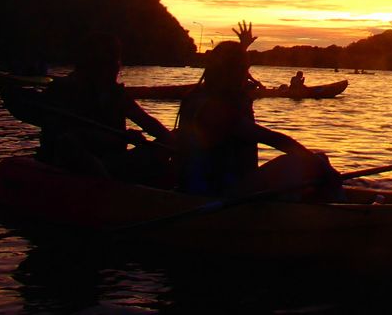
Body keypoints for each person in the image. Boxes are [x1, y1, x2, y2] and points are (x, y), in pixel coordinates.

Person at [175, 22, 341, 199]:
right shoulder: (213, 108)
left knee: (318, 161)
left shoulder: (200, 96)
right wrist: (315, 162)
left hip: (222, 185)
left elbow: (230, 63)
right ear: (232, 72)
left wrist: (243, 46)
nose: (245, 75)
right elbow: (273, 139)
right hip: (218, 192)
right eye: (243, 69)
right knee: (314, 162)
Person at [38, 32, 172, 183]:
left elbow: (147, 121)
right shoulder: (63, 90)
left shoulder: (115, 94)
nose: (116, 67)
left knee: (174, 139)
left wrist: (171, 139)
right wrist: (121, 137)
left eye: (116, 60)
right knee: (68, 144)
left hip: (113, 164)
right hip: (79, 167)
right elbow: (62, 136)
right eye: (110, 61)